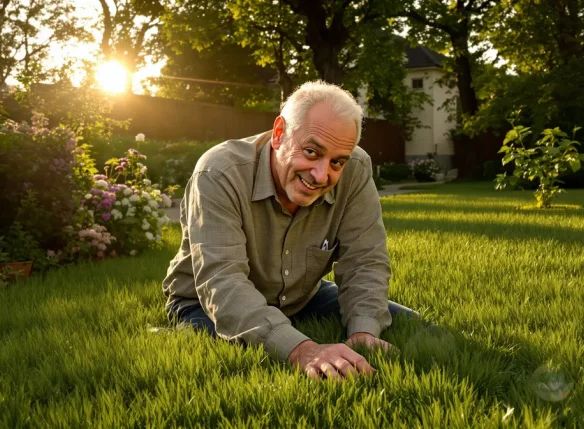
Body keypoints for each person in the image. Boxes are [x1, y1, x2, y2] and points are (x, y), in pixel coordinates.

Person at [163, 80, 417, 380]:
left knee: (412, 325)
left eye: (337, 161)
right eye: (311, 152)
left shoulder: (357, 169)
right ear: (280, 133)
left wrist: (363, 331)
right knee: (244, 369)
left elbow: (365, 260)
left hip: (301, 296)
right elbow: (223, 283)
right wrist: (302, 349)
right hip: (204, 303)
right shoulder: (219, 173)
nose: (321, 175)